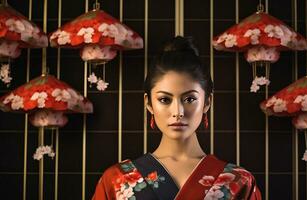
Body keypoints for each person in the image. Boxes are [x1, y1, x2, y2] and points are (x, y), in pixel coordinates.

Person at [92, 36, 262, 200]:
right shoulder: (116, 180)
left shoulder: (239, 182)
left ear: (207, 102)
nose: (178, 111)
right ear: (149, 103)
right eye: (164, 100)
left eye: (189, 99)